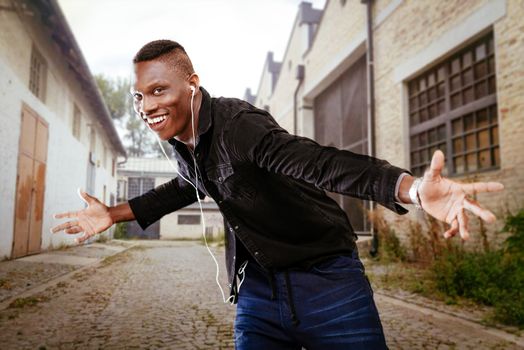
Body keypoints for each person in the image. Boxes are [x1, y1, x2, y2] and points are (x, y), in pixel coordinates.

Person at [52, 40, 504, 349]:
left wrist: (411, 190)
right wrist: (113, 213)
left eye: (157, 91)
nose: (146, 106)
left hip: (328, 280)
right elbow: (186, 187)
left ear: (192, 83)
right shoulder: (182, 141)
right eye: (138, 97)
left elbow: (318, 162)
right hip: (258, 292)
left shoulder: (239, 124)